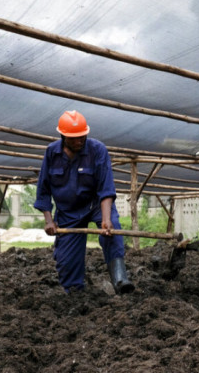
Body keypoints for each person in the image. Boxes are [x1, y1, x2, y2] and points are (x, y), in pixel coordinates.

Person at [34, 110, 134, 294]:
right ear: (63, 136)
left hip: (95, 205)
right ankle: (75, 293)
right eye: (74, 138)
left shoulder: (98, 150)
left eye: (82, 136)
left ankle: (120, 280)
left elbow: (106, 188)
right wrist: (49, 220)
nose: (79, 141)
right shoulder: (51, 153)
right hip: (68, 211)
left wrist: (106, 219)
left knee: (112, 230)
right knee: (67, 261)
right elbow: (43, 190)